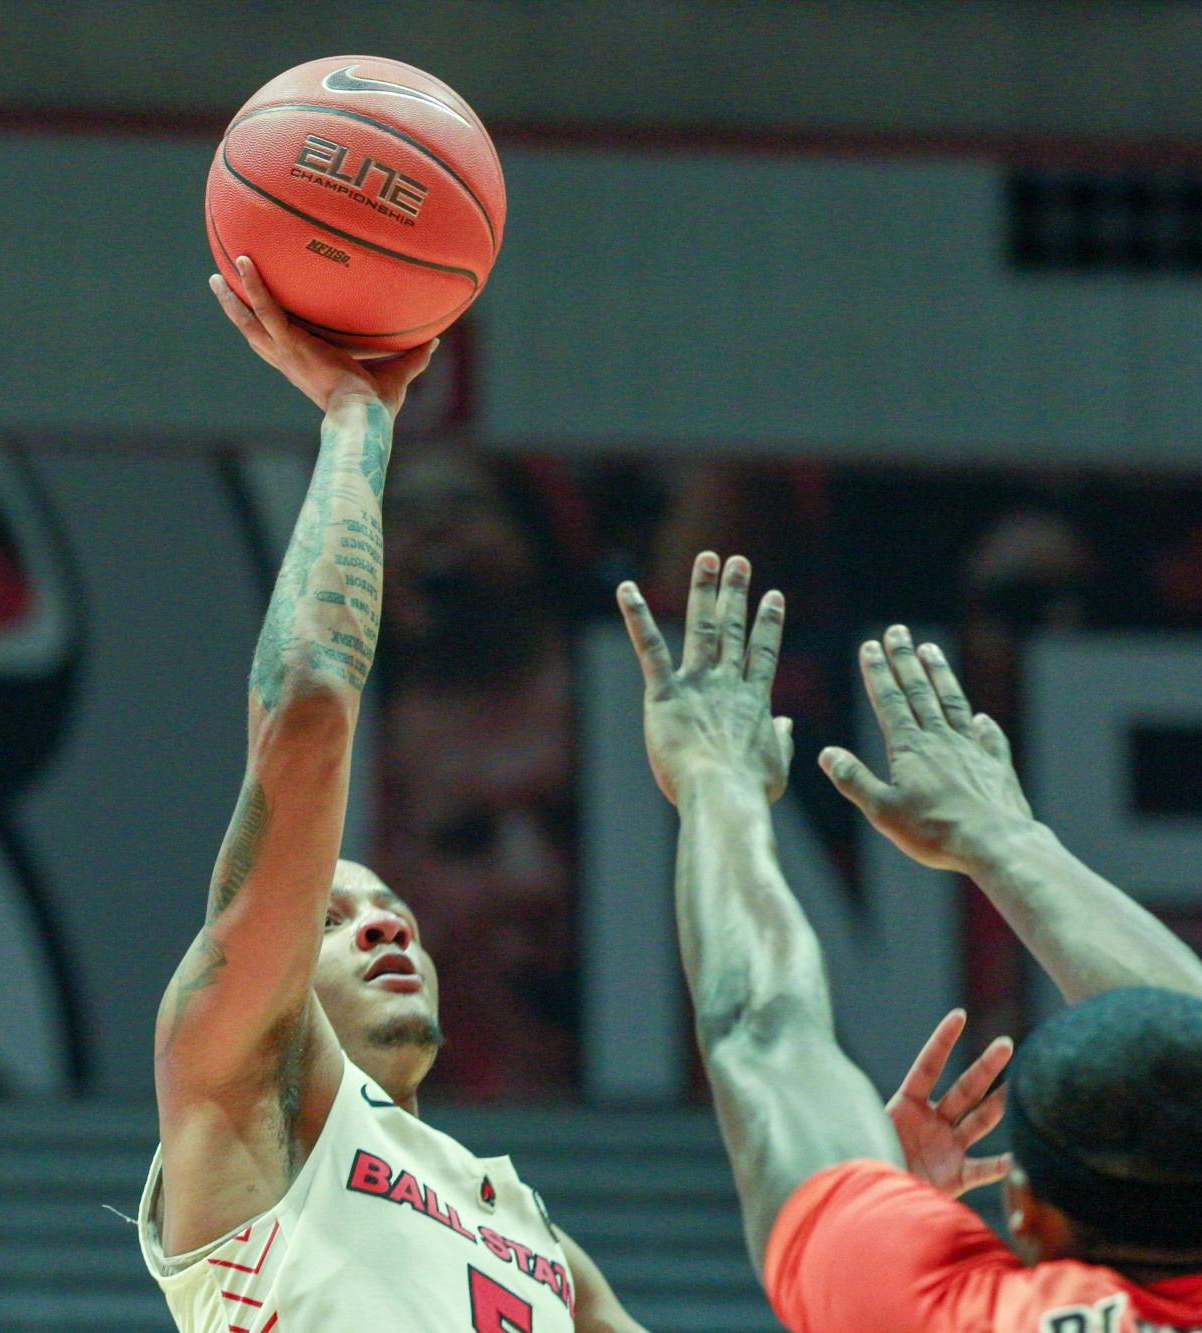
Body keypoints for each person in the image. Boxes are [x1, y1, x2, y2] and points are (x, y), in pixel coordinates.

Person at [138, 263, 971, 1332]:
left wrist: (885, 1226)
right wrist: (358, 417)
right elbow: (304, 713)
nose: (383, 918)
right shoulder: (243, 1107)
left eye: (387, 905)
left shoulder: (527, 1234)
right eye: (331, 916)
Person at [615, 552, 1202, 1332]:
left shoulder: (944, 1314)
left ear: (1026, 1210)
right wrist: (1011, 841)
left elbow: (763, 1034)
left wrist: (716, 781)